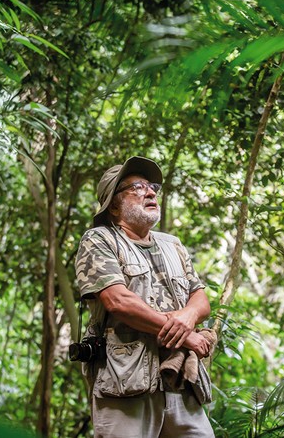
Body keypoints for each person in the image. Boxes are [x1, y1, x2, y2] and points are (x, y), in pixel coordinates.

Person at [74, 156, 215, 438]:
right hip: (125, 382)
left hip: (179, 380)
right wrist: (187, 336)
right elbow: (118, 301)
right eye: (137, 187)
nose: (150, 192)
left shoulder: (172, 244)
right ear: (114, 205)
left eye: (152, 187)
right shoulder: (100, 239)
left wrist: (187, 317)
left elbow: (200, 300)